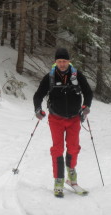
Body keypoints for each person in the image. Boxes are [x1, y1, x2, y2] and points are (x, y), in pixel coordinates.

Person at [33, 48, 93, 197]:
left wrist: (86, 106)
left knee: (73, 148)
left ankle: (71, 176)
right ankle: (58, 180)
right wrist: (38, 109)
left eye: (64, 61)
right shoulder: (50, 77)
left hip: (74, 118)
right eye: (59, 61)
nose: (62, 64)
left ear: (69, 61)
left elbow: (88, 92)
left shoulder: (77, 75)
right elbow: (38, 95)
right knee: (57, 149)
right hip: (56, 118)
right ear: (55, 62)